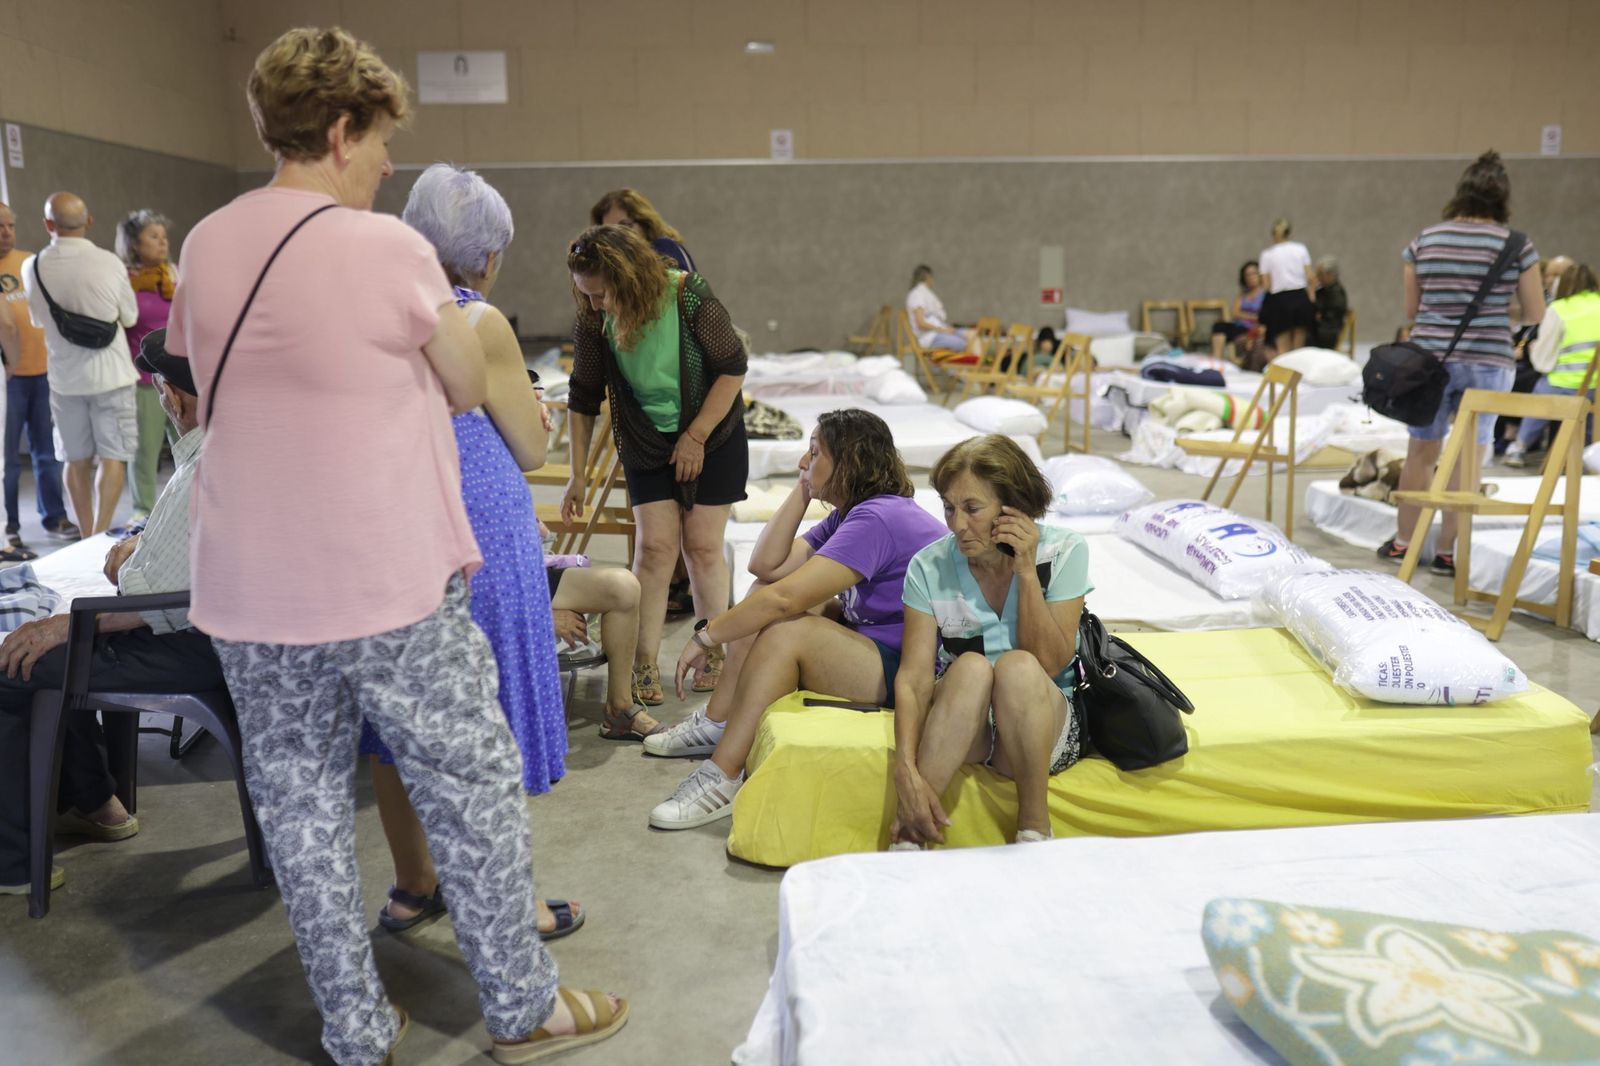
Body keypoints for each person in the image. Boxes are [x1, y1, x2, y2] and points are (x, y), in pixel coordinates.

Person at [165, 28, 624, 1064]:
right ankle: (523, 1008)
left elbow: (198, 376)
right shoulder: (387, 249)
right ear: (337, 130)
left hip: (249, 589)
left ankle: (358, 1029)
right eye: (376, 143)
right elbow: (465, 384)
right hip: (386, 584)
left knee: (302, 811)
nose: (383, 165)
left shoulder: (206, 241)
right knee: (470, 783)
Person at [355, 163, 596, 941]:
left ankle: (413, 884)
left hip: (397, 520)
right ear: (486, 255)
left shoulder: (377, 309)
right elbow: (527, 446)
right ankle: (509, 904)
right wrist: (543, 423)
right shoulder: (477, 320)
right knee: (492, 715)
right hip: (480, 527)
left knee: (398, 720)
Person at [645, 409, 948, 829]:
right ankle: (718, 721)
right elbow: (766, 566)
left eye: (814, 453)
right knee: (761, 596)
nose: (803, 463)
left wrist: (706, 637)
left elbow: (787, 599)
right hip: (881, 646)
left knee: (786, 628)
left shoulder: (878, 518)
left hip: (916, 673)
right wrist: (803, 490)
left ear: (850, 462)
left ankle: (724, 775)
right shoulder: (852, 513)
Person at [0, 336, 212, 898]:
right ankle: (95, 803)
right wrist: (140, 547)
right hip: (209, 635)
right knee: (47, 652)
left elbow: (146, 596)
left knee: (15, 664)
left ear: (173, 395)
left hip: (194, 644)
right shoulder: (225, 448)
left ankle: (13, 864)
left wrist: (67, 622)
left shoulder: (205, 466)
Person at [564, 223, 748, 715]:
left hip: (714, 431)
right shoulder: (593, 315)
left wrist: (696, 436)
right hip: (646, 439)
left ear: (626, 279)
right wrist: (577, 473)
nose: (596, 304)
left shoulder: (686, 295)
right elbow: (582, 396)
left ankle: (713, 646)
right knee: (656, 548)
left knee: (704, 546)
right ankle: (642, 659)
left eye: (602, 293)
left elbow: (733, 367)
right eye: (587, 295)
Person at [889, 435, 1091, 848]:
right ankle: (911, 834)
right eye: (949, 507)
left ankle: (1034, 827)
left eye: (972, 509)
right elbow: (913, 679)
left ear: (1012, 508)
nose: (957, 524)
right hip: (969, 723)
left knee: (1017, 667)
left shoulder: (1065, 551)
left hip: (1041, 722)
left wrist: (1026, 572)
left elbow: (1051, 662)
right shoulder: (929, 566)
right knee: (972, 668)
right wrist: (905, 767)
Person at [1379, 150, 1544, 576]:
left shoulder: (1425, 240)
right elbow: (1535, 312)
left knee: (1421, 452)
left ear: (1460, 193)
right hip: (1489, 359)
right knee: (1468, 456)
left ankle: (1404, 543)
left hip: (1428, 361)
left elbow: (1412, 309)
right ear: (1502, 198)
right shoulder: (1516, 244)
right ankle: (1449, 552)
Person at [21, 192, 139, 537]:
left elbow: (37, 321)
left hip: (65, 379)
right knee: (113, 456)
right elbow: (129, 316)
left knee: (74, 459)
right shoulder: (110, 262)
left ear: (48, 224)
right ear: (89, 222)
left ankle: (86, 534)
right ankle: (102, 533)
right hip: (112, 374)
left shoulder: (33, 266)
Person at [0, 201, 75, 555]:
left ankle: (55, 516)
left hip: (43, 372)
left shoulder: (31, 262)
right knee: (8, 461)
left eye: (10, 226)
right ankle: (9, 527)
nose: (6, 233)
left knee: (47, 453)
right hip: (8, 379)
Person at [115, 209, 177, 521]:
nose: (162, 242)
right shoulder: (125, 280)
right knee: (145, 450)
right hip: (143, 376)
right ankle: (144, 512)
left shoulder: (173, 274)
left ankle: (187, 507)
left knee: (188, 446)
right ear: (135, 244)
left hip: (180, 376)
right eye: (154, 237)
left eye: (164, 237)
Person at [1505, 262, 1599, 467]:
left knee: (1539, 396)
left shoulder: (1559, 308)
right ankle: (1589, 451)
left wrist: (1533, 350)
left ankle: (1519, 447)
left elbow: (1543, 361)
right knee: (1591, 411)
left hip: (1564, 384)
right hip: (1596, 388)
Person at [549, 562, 644, 718]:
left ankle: (620, 707)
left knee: (624, 586)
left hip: (525, 576)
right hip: (502, 594)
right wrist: (540, 615)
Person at [590, 187, 696, 273]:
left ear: (645, 223)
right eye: (609, 231)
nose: (618, 236)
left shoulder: (665, 247)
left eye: (625, 226)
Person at [1257, 218, 1315, 354]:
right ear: (1289, 233)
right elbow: (1310, 277)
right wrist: (1311, 298)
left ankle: (1284, 373)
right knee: (1298, 349)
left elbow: (1266, 285)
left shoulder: (1267, 254)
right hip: (1301, 298)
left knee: (1283, 350)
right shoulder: (1301, 249)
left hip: (1280, 301)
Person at [1209, 260, 1266, 361]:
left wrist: (1245, 315)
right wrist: (1253, 316)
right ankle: (1216, 360)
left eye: (1253, 273)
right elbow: (1235, 313)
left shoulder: (1265, 294)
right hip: (1239, 326)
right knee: (1219, 326)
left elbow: (1264, 315)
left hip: (1253, 328)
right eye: (1247, 275)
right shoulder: (1243, 295)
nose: (1251, 277)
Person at [906, 265, 970, 351]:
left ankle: (981, 362)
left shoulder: (924, 293)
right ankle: (978, 362)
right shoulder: (917, 295)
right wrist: (942, 330)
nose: (933, 281)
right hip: (929, 337)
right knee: (963, 344)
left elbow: (932, 318)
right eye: (932, 278)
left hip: (938, 331)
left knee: (971, 335)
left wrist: (945, 329)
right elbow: (921, 324)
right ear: (928, 277)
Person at [1310, 256, 1348, 350]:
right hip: (1323, 328)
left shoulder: (1336, 292)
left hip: (1328, 331)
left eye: (1319, 274)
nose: (1317, 277)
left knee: (1302, 335)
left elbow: (1330, 316)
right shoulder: (1324, 290)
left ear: (1330, 275)